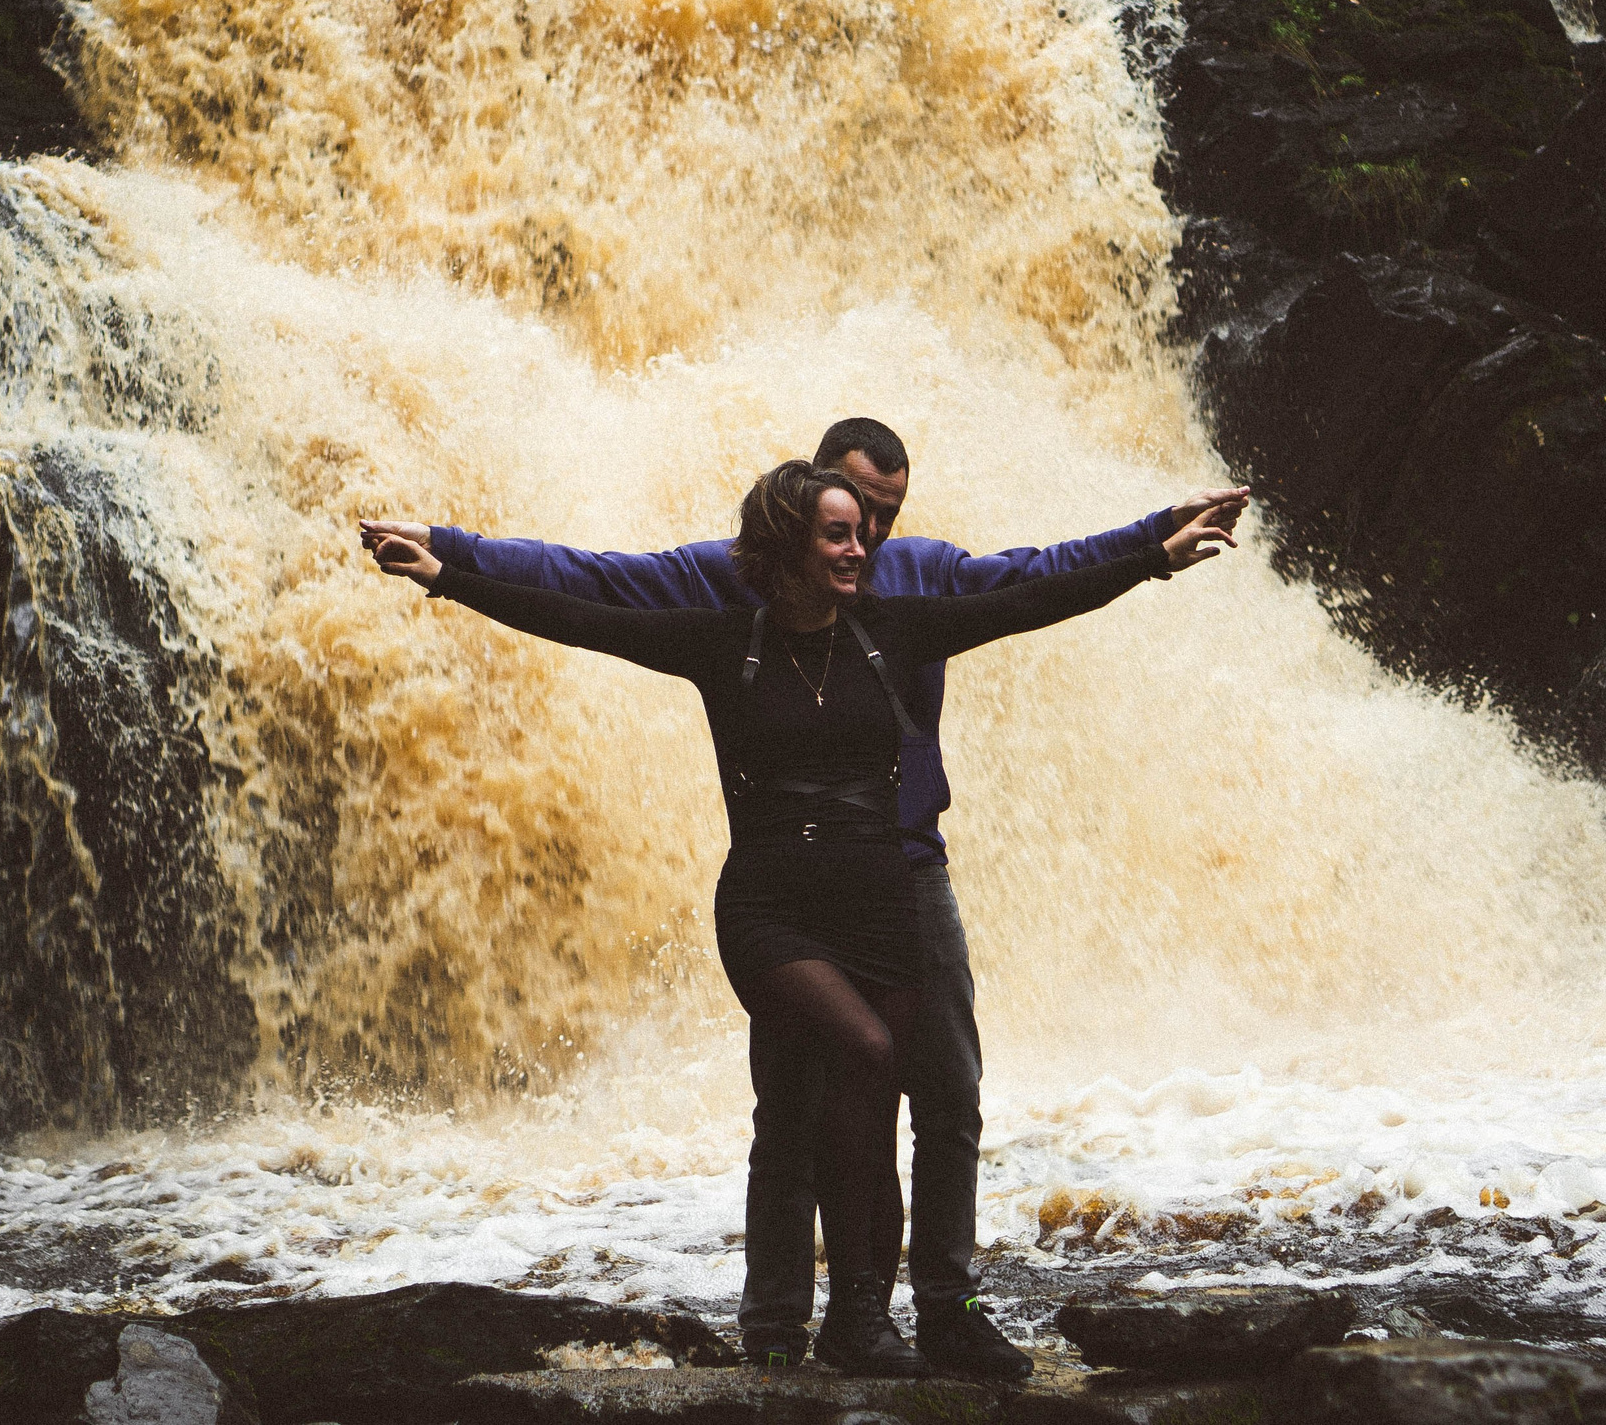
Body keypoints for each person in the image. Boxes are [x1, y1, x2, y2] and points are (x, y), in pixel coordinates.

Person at [364, 445, 1240, 1375]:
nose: (864, 546)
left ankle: (865, 1317)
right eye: (842, 532)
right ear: (789, 544)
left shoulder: (894, 626)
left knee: (889, 1098)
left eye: (867, 529)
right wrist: (448, 574)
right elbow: (581, 612)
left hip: (882, 899)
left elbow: (1034, 596)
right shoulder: (721, 637)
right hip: (773, 905)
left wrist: (1155, 553)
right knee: (852, 1058)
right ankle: (784, 1322)